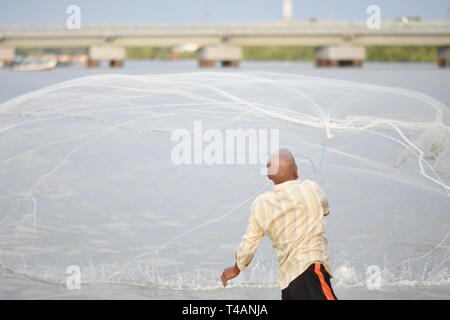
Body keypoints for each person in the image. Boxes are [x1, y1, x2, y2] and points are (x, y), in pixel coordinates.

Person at [220, 149, 337, 300]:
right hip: (311, 270)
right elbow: (325, 210)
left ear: (269, 175)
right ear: (296, 171)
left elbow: (249, 242)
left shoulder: (261, 203)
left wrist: (237, 269)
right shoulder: (311, 188)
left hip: (288, 285)